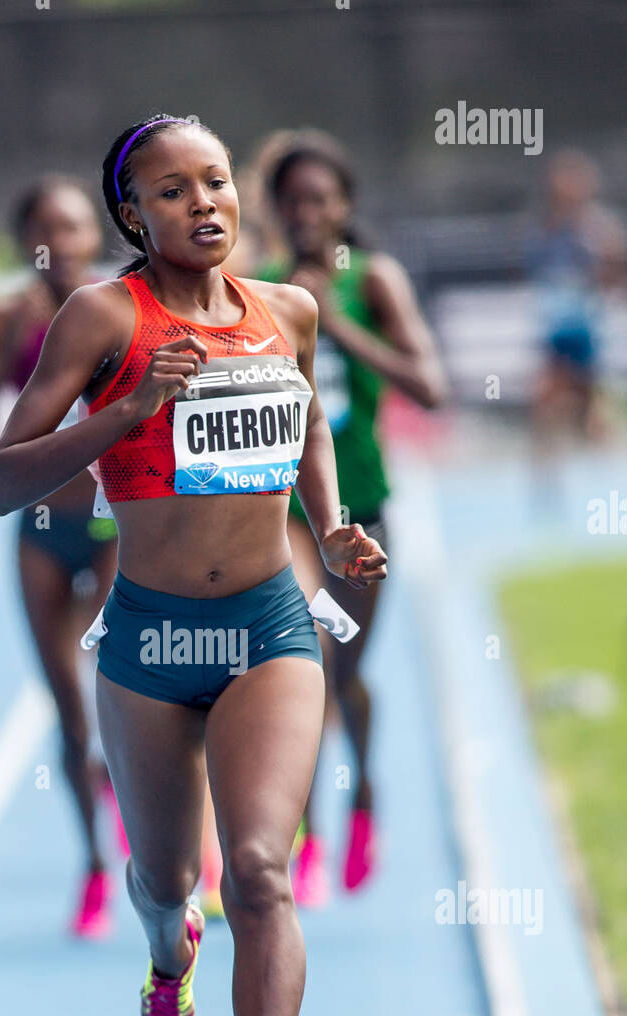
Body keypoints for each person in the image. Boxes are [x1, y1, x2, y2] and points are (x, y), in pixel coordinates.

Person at [0, 113, 387, 1016]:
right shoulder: (101, 316)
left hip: (266, 625)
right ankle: (168, 956)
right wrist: (127, 409)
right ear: (131, 215)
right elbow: (2, 481)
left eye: (213, 181)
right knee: (169, 886)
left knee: (256, 869)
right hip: (151, 639)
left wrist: (334, 523)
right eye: (169, 191)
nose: (201, 203)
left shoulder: (287, 312)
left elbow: (304, 424)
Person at [258, 131, 445, 901]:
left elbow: (429, 385)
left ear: (345, 205)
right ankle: (303, 831)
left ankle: (364, 791)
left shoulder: (373, 280)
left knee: (347, 675)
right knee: (298, 668)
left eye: (321, 198)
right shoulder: (260, 287)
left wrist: (337, 326)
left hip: (361, 510)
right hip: (290, 513)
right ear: (276, 209)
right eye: (293, 200)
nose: (308, 212)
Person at [0, 175, 124, 939]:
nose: (59, 243)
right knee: (68, 710)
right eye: (44, 230)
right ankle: (92, 863)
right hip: (39, 526)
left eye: (73, 228)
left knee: (125, 688)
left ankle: (146, 810)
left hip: (116, 524)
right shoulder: (6, 318)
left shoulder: (116, 306)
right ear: (22, 242)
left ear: (96, 236)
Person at [527, 149, 626, 486]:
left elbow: (615, 272)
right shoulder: (547, 227)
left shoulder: (597, 228)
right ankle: (547, 490)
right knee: (545, 407)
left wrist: (603, 274)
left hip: (585, 331)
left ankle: (613, 484)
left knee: (593, 414)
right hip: (557, 331)